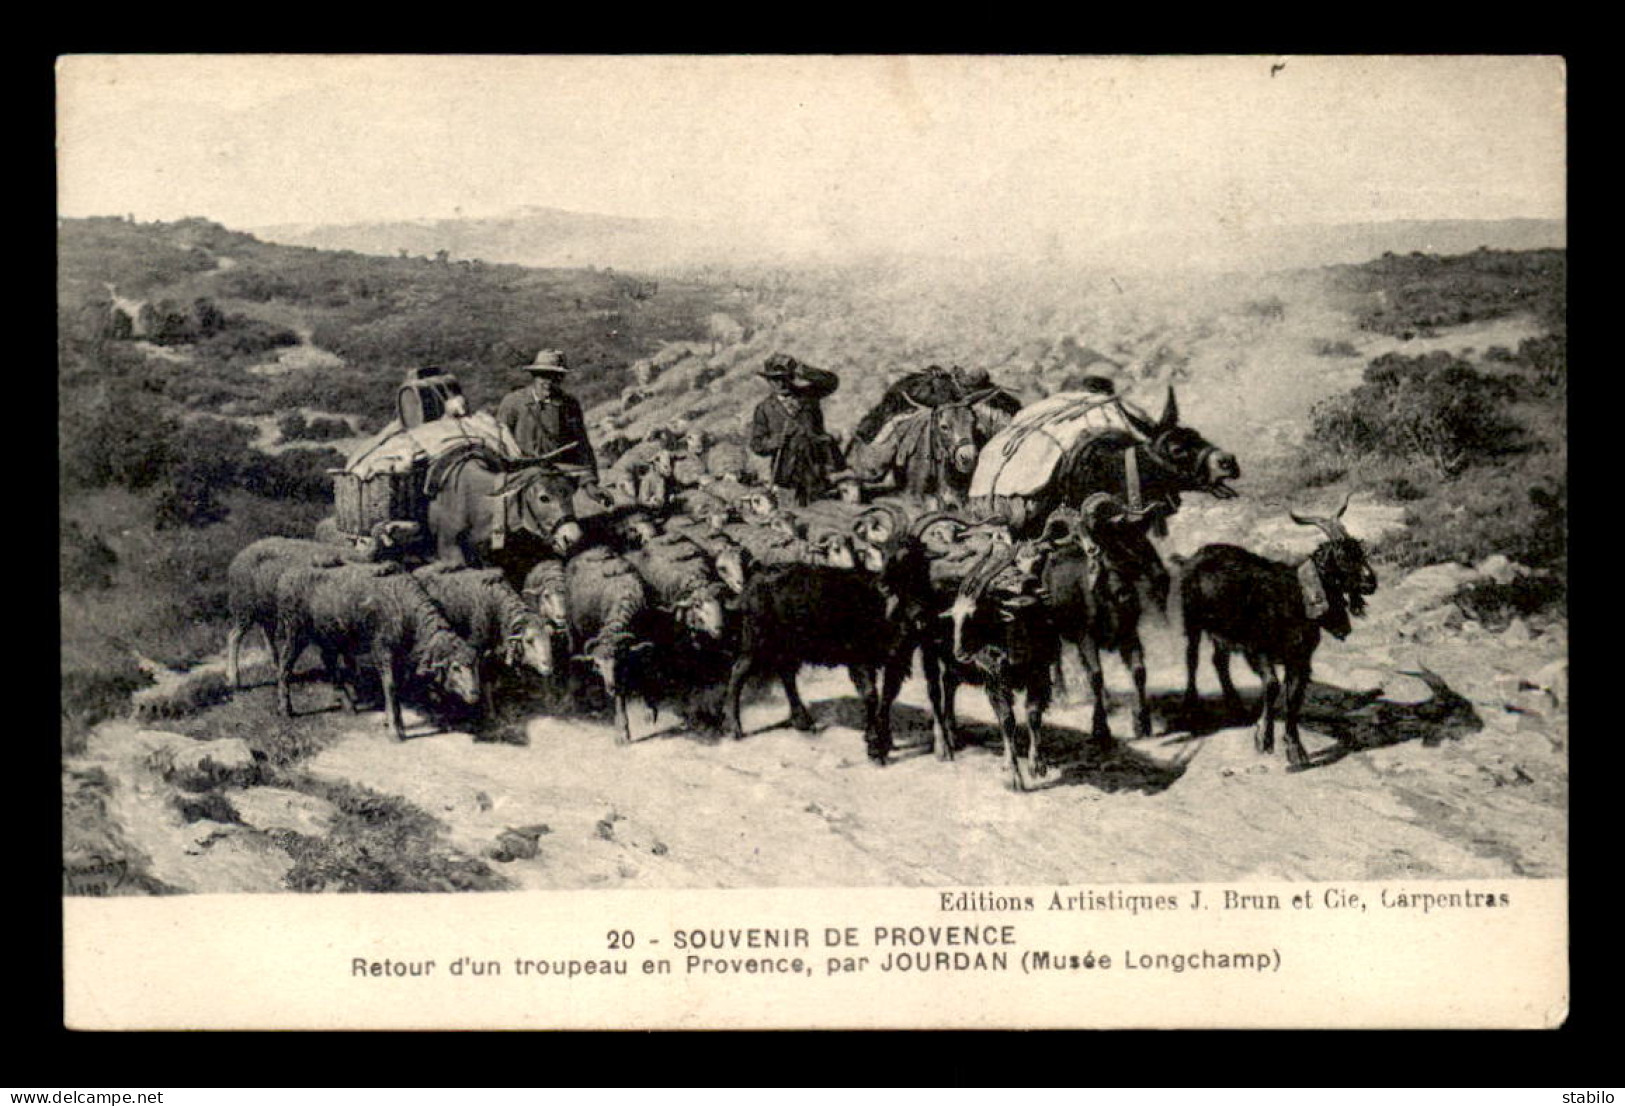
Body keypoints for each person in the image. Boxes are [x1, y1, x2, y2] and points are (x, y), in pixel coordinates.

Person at [497, 349, 603, 494]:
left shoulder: (569, 405)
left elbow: (582, 447)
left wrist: (590, 483)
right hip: (521, 476)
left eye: (556, 377)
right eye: (544, 376)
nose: (549, 382)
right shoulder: (513, 402)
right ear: (534, 376)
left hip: (558, 475)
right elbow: (499, 443)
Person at [748, 352, 846, 506]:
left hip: (821, 467)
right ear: (768, 381)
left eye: (783, 377)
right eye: (774, 379)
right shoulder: (764, 408)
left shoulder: (809, 395)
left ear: (791, 377)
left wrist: (802, 369)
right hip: (787, 474)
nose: (780, 384)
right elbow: (756, 444)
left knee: (830, 511)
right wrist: (775, 441)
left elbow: (832, 382)